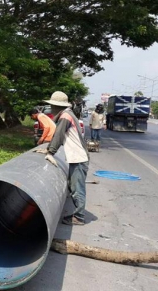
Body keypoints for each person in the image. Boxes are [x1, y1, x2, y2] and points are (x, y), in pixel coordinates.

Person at [37, 91, 89, 226]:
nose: (51, 109)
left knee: (77, 188)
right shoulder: (68, 114)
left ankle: (79, 216)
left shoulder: (65, 116)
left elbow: (58, 135)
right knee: (74, 186)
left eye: (52, 106)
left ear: (57, 106)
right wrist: (48, 149)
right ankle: (79, 213)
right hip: (77, 156)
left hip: (79, 157)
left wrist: (50, 152)